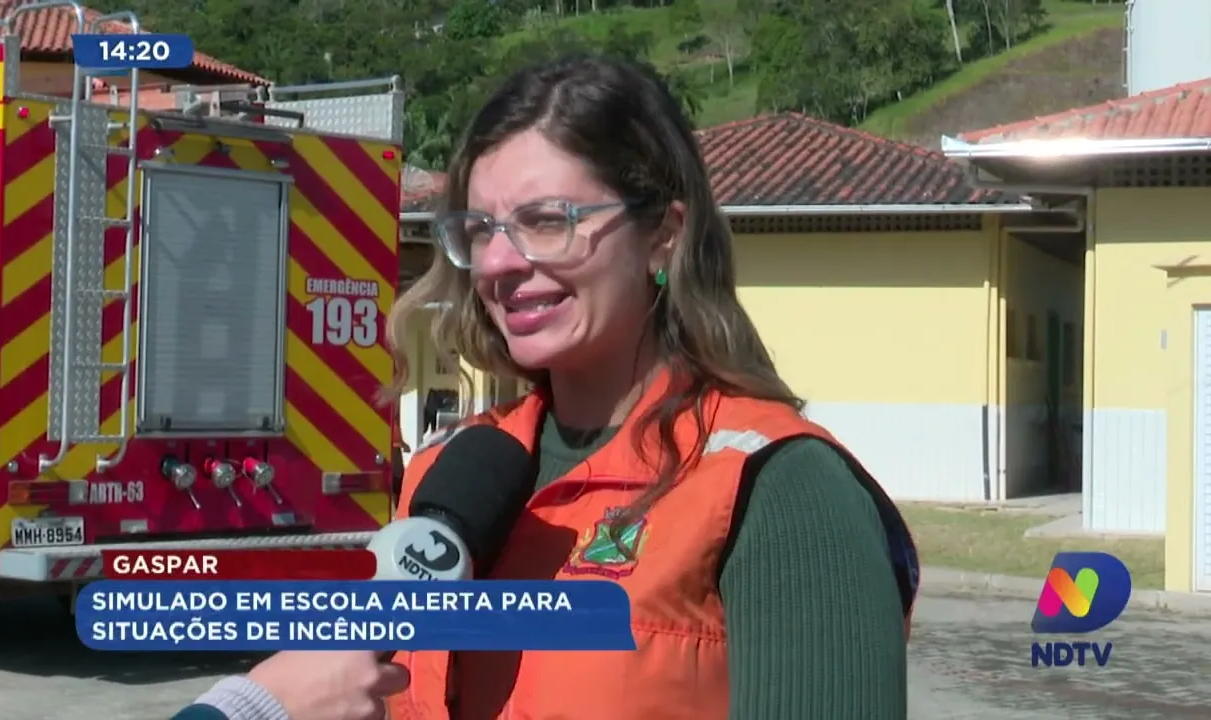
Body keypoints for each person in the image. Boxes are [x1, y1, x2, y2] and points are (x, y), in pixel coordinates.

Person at [173, 52, 918, 720]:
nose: (499, 263)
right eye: (482, 229)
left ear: (663, 234)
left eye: (546, 221)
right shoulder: (447, 477)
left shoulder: (778, 487)